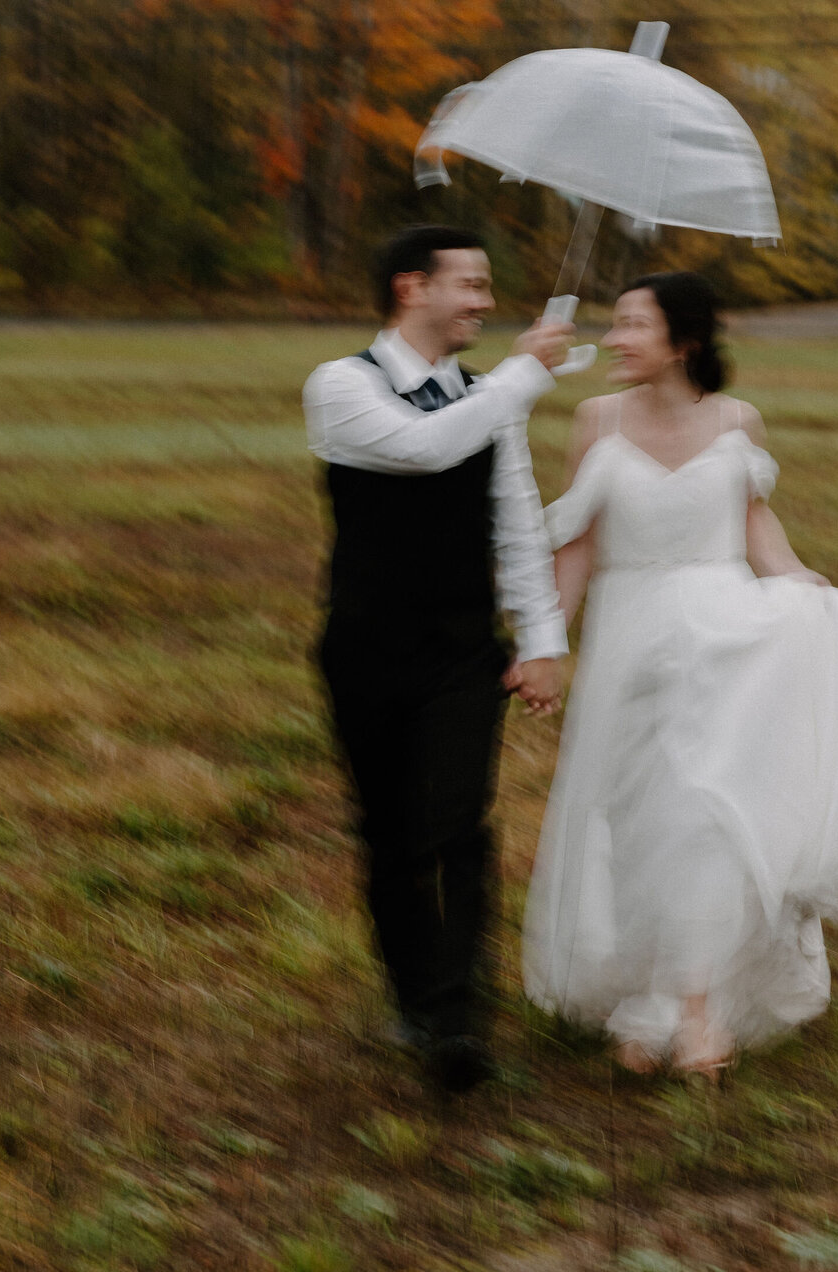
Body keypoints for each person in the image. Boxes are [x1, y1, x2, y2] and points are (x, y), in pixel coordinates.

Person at [522, 272, 838, 1079]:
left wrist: (800, 585)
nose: (613, 339)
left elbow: (756, 525)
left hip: (721, 639)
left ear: (683, 341)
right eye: (613, 324)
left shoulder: (736, 421)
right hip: (629, 641)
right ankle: (646, 996)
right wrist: (548, 642)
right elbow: (575, 544)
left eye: (632, 325)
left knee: (705, 818)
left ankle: (697, 1009)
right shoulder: (595, 420)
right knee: (639, 820)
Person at [303, 225, 573, 1093]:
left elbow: (519, 524)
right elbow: (423, 448)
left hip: (462, 654)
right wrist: (524, 377)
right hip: (366, 653)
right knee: (390, 838)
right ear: (410, 287)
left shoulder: (490, 399)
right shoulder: (342, 386)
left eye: (488, 287)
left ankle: (458, 1022)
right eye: (472, 285)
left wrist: (541, 641)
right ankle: (415, 1002)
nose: (487, 304)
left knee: (459, 825)